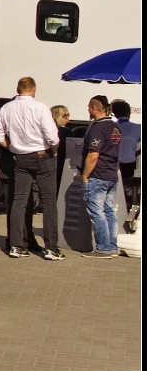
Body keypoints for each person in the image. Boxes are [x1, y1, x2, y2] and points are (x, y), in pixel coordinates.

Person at [0, 77, 63, 260]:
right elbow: (52, 137)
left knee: (19, 200)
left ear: (18, 89)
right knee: (48, 202)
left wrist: (15, 147)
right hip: (42, 155)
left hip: (20, 158)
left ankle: (16, 245)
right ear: (33, 89)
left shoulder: (6, 108)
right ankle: (51, 248)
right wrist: (54, 151)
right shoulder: (40, 107)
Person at [80, 95, 122, 257]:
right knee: (108, 211)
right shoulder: (115, 127)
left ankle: (103, 248)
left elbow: (93, 155)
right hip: (112, 173)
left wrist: (85, 176)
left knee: (97, 212)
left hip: (98, 175)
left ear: (93, 108)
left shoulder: (98, 128)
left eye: (89, 107)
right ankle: (112, 246)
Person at [110, 100, 140, 211]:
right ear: (129, 113)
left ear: (114, 113)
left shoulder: (109, 127)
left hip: (111, 165)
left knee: (113, 195)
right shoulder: (137, 128)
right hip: (128, 167)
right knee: (127, 195)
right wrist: (135, 152)